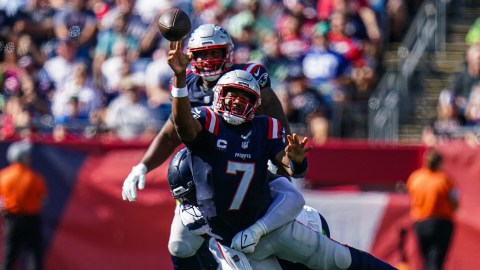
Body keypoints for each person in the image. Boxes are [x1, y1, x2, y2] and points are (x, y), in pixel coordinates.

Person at [168, 41, 395, 269]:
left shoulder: (265, 127)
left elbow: (293, 175)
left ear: (255, 104)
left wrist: (296, 159)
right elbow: (182, 125)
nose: (237, 101)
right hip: (238, 242)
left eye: (244, 97)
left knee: (340, 259)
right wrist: (179, 79)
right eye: (231, 94)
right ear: (218, 96)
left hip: (273, 225)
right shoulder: (207, 122)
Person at [121, 24, 290, 270]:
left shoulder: (249, 77)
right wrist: (142, 166)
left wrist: (284, 160)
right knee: (179, 245)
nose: (209, 59)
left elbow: (278, 126)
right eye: (202, 53)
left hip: (249, 176)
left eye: (215, 52)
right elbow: (170, 134)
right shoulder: (185, 84)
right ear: (192, 56)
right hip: (206, 182)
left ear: (229, 53)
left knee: (271, 241)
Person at [406, 149, 459, 270]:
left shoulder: (415, 178)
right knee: (436, 259)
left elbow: (410, 195)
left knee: (426, 259)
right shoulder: (445, 180)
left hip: (419, 222)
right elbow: (455, 202)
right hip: (441, 222)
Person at [0, 141, 48, 270]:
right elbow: (42, 200)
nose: (29, 158)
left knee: (9, 256)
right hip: (31, 220)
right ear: (21, 158)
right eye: (27, 156)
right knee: (33, 256)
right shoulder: (34, 178)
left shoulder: (3, 176)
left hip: (11, 221)